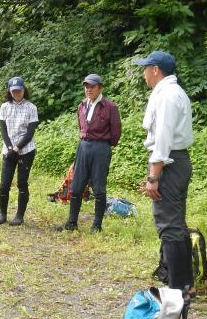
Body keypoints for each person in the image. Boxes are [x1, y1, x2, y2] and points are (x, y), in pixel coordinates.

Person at [134, 51, 194, 294]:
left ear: (156, 69)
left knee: (169, 225)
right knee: (176, 223)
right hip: (177, 161)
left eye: (145, 68)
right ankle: (184, 283)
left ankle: (177, 287)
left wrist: (153, 176)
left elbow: (163, 139)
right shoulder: (173, 92)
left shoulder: (167, 96)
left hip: (170, 164)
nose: (143, 73)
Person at [57, 74, 122, 233]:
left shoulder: (110, 107)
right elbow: (82, 127)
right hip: (83, 147)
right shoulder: (81, 106)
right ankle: (72, 222)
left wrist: (104, 145)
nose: (88, 89)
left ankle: (97, 225)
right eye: (86, 86)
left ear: (100, 88)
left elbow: (116, 132)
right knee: (76, 186)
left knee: (99, 188)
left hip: (101, 148)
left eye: (92, 86)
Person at [0, 77, 38, 226]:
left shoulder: (31, 107)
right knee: (4, 183)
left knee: (22, 182)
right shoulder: (5, 107)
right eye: (14, 91)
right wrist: (10, 148)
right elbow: (3, 130)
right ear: (10, 92)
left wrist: (17, 148)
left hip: (26, 150)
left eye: (19, 90)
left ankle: (19, 216)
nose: (17, 93)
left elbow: (30, 132)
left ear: (24, 90)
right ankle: (2, 214)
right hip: (8, 150)